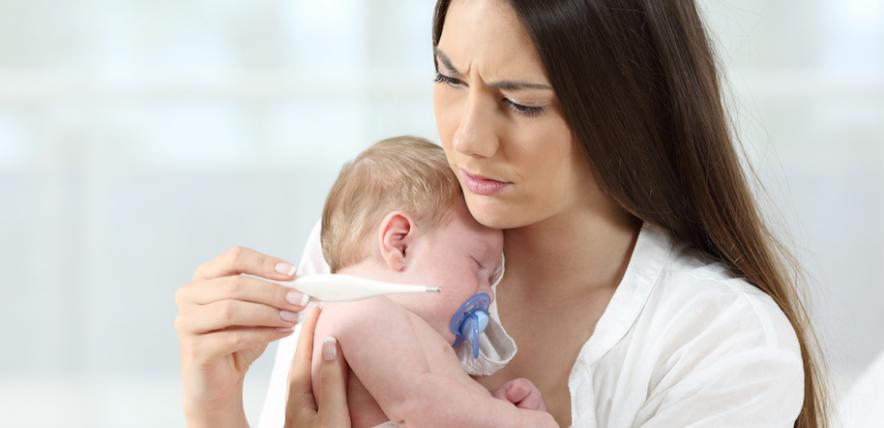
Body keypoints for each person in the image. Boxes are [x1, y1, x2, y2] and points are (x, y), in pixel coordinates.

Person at [177, 0, 829, 427]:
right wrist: (212, 397)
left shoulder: (721, 342)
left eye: (520, 103)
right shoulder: (386, 247)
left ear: (626, 111)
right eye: (451, 79)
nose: (468, 139)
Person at [301, 136, 553, 427]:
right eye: (477, 264)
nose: (489, 294)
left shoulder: (401, 326)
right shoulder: (360, 311)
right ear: (400, 244)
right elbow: (420, 404)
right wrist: (516, 421)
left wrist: (494, 402)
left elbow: (440, 404)